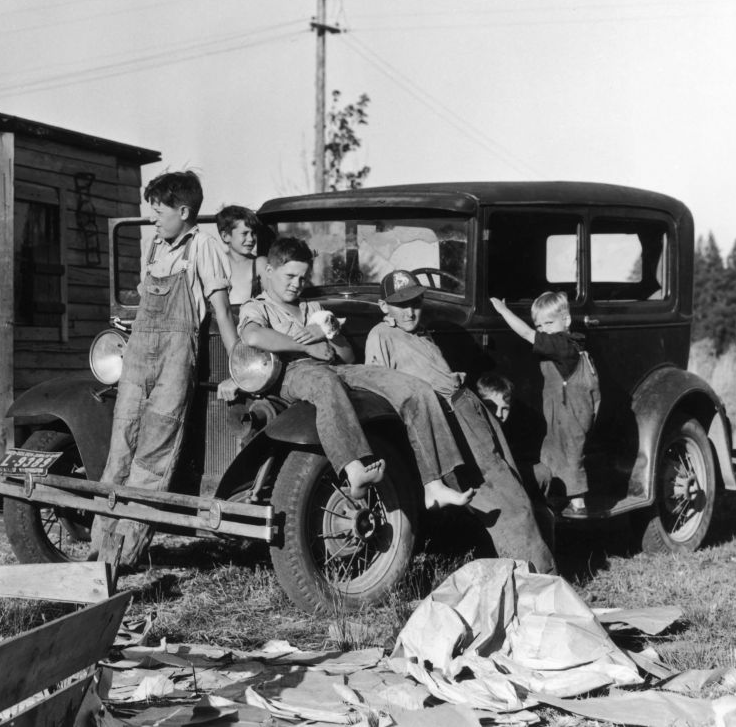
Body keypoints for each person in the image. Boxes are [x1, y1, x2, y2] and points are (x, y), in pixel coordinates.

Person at [238, 237, 474, 508]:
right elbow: (252, 336)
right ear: (269, 271)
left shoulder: (312, 308)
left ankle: (434, 484)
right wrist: (310, 349)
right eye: (290, 276)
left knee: (412, 386)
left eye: (303, 278)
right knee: (325, 383)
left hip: (338, 369)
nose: (297, 284)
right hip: (293, 373)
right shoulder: (258, 307)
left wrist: (332, 335)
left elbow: (347, 355)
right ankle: (354, 469)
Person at [91, 170, 239, 568]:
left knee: (152, 459)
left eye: (160, 210)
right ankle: (96, 552)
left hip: (176, 360)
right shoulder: (154, 247)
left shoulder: (204, 247)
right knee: (120, 449)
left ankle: (122, 557)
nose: (154, 218)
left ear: (184, 211)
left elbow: (222, 312)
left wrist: (238, 363)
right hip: (139, 356)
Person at [366, 271, 556, 573]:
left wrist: (451, 378)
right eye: (400, 305)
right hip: (451, 420)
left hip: (469, 407)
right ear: (383, 306)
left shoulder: (420, 331)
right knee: (508, 503)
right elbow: (382, 385)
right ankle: (539, 583)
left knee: (515, 485)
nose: (410, 311)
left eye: (415, 302)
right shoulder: (381, 335)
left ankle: (533, 574)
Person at [490, 291, 600, 517]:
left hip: (568, 408)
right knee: (557, 449)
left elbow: (526, 333)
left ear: (566, 321)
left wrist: (504, 312)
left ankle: (578, 503)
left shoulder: (560, 344)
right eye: (540, 326)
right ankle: (560, 496)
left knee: (570, 452)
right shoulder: (575, 343)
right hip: (569, 407)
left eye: (549, 323)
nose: (544, 330)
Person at [216, 205, 264, 304]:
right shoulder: (216, 264)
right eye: (245, 233)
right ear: (225, 236)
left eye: (253, 233)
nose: (251, 239)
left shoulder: (260, 264)